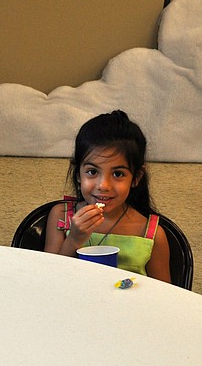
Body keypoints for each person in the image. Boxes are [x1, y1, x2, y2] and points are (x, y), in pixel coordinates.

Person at [44, 110, 171, 283]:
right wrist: (74, 239)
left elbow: (166, 296)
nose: (103, 186)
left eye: (118, 174)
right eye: (92, 172)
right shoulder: (61, 216)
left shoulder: (152, 234)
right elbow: (48, 280)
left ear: (136, 178)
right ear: (78, 174)